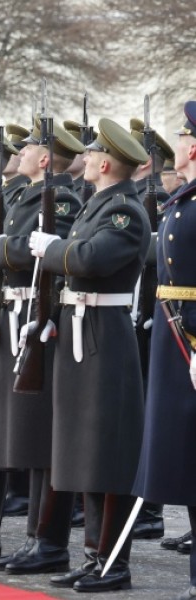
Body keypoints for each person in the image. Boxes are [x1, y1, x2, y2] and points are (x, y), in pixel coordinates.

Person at [32, 118, 149, 592]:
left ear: (104, 162)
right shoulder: (96, 206)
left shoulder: (124, 211)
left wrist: (53, 247)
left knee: (107, 450)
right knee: (85, 449)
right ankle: (93, 554)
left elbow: (91, 259)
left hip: (103, 334)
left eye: (90, 154)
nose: (82, 161)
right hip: (80, 330)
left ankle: (114, 562)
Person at [0, 119, 83, 574]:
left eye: (28, 148)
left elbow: (30, 253)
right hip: (14, 313)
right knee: (22, 435)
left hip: (40, 321)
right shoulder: (22, 193)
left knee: (43, 438)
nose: (17, 152)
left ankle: (50, 540)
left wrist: (3, 247)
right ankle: (35, 537)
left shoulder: (61, 196)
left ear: (45, 158)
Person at [133, 100, 196, 600]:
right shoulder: (186, 200)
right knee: (186, 456)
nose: (176, 142)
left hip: (190, 337)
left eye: (180, 134)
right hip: (175, 340)